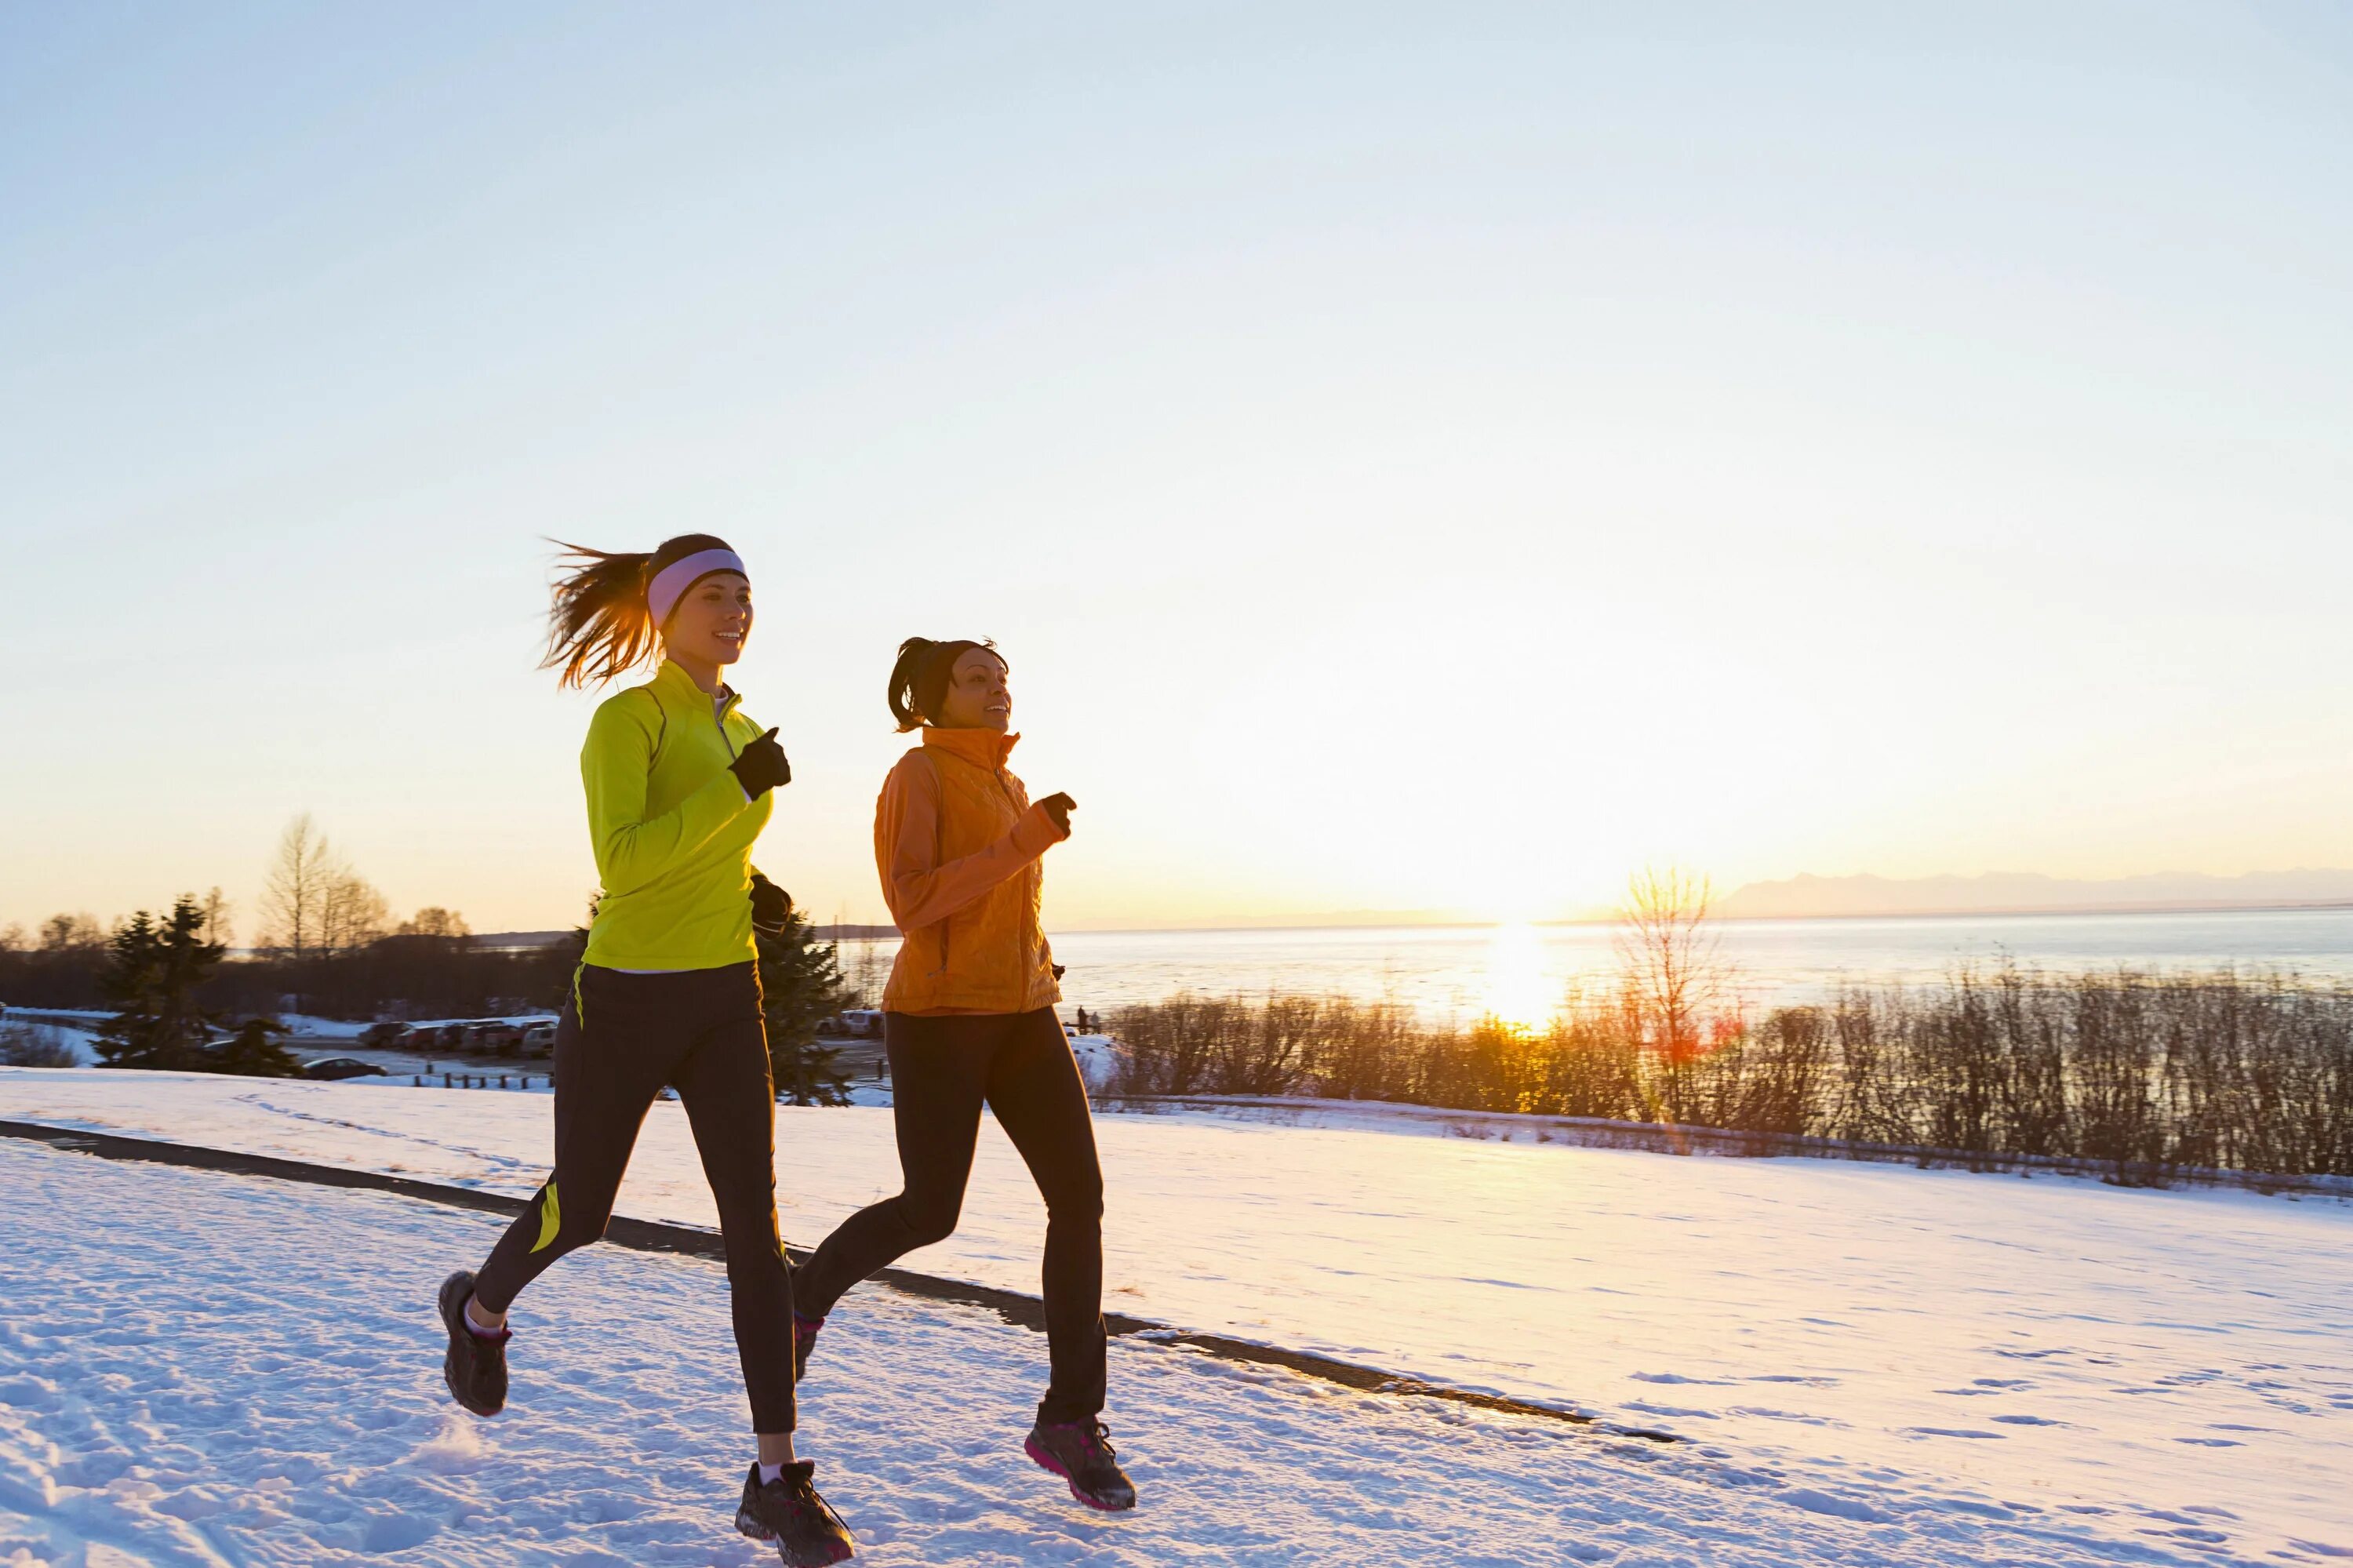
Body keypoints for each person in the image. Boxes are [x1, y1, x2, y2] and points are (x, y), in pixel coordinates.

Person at [435, 533, 855, 1567]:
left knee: (755, 1236)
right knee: (583, 1209)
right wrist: (737, 791)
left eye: (748, 594)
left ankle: (774, 1478)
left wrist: (758, 885)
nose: (738, 609)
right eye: (717, 593)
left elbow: (704, 852)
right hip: (622, 997)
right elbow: (622, 863)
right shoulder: (628, 717)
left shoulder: (742, 723)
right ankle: (479, 1309)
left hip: (725, 995)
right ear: (666, 611)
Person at [792, 638, 1136, 1512]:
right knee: (931, 1210)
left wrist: (1040, 966)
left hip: (1025, 1015)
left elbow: (1007, 905)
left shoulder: (1008, 781)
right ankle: (807, 1292)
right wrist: (1023, 843)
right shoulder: (920, 775)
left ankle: (1069, 1420)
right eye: (977, 678)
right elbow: (912, 902)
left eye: (1004, 678)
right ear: (933, 696)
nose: (999, 691)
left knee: (1079, 1202)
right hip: (940, 1019)